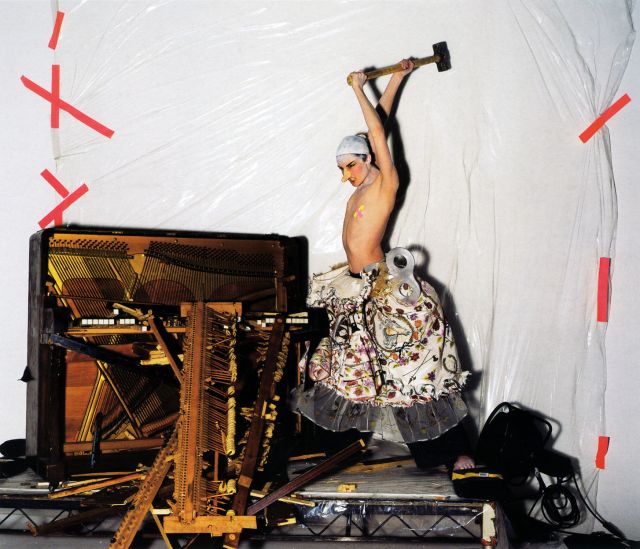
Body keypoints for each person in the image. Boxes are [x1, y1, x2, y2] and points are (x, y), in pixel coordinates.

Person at [294, 60, 474, 471]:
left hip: (382, 287)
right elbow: (379, 124)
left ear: (369, 159)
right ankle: (334, 454)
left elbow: (377, 132)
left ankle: (453, 452)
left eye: (351, 165)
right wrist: (396, 79)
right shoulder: (363, 182)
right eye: (342, 169)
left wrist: (358, 89)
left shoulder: (385, 183)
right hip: (356, 287)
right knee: (349, 368)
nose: (346, 175)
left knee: (408, 369)